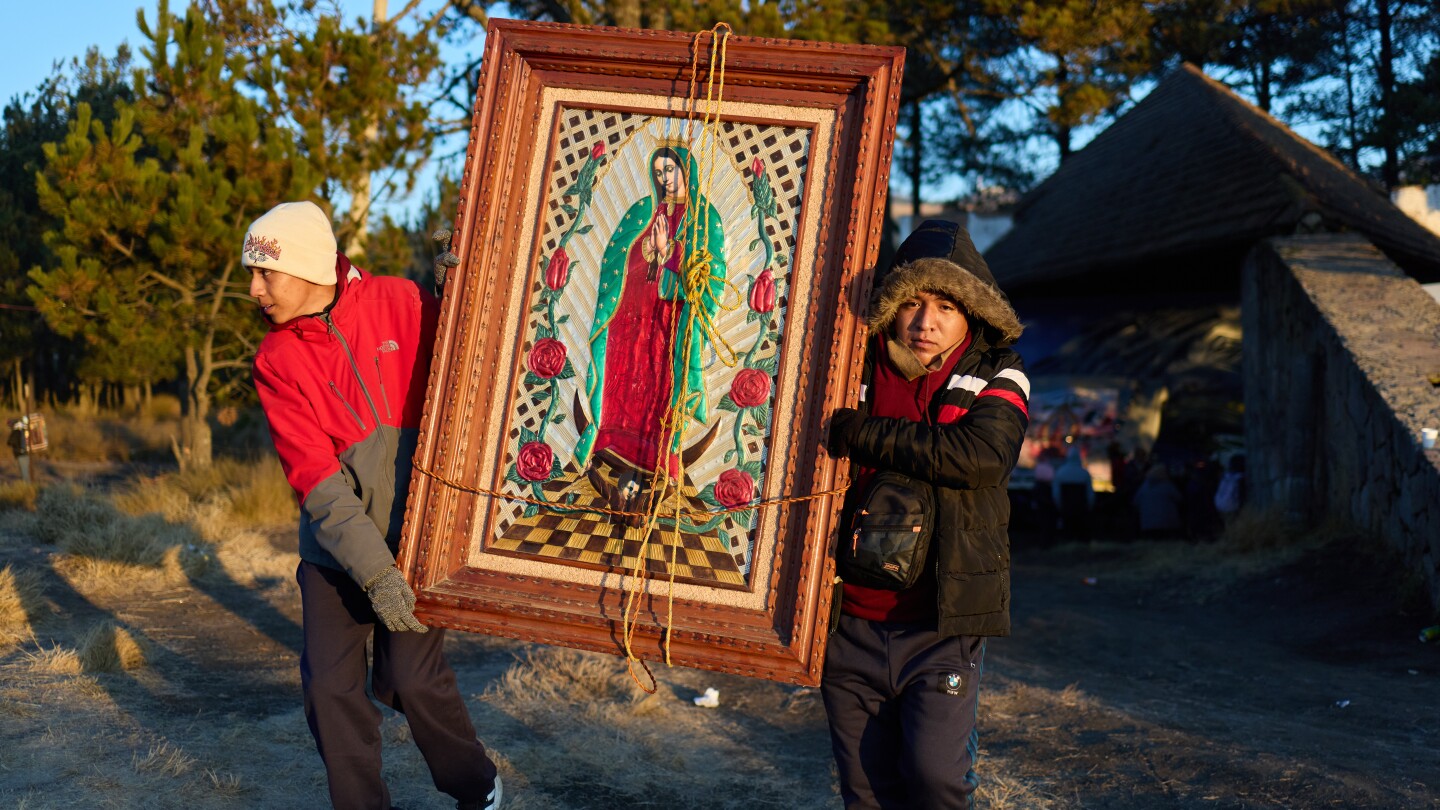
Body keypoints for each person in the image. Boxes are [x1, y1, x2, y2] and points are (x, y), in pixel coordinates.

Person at [246, 201, 501, 810]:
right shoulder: (276, 359)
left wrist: (465, 285)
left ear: (308, 266)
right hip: (336, 555)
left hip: (418, 537)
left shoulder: (400, 302)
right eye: (252, 273)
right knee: (330, 693)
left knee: (411, 680)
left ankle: (477, 786)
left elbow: (476, 348)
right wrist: (375, 573)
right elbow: (319, 484)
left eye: (265, 273)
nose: (254, 289)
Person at [823, 219, 1029, 809]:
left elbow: (981, 457)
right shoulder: (849, 369)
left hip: (939, 625)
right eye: (910, 301)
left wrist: (861, 434)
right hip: (849, 620)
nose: (925, 320)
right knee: (866, 792)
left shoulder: (998, 372)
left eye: (944, 304)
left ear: (972, 311)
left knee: (935, 777)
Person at [578, 142, 728, 477]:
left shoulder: (706, 218)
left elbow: (710, 276)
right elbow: (616, 259)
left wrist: (669, 253)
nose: (665, 178)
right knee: (624, 375)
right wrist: (645, 253)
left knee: (661, 382)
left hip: (670, 321)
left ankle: (659, 451)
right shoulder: (643, 211)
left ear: (685, 170)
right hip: (632, 316)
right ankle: (611, 438)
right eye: (659, 172)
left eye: (670, 170)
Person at [1051, 443, 1095, 540]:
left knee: (1068, 535)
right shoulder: (1085, 474)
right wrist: (1088, 508)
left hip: (1066, 511)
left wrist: (1060, 508)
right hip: (1081, 511)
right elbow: (1090, 495)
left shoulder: (1060, 473)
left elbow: (1056, 495)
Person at [1133, 463, 1184, 539]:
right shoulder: (1168, 486)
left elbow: (1135, 502)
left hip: (1147, 526)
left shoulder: (1144, 487)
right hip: (1167, 525)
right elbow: (1179, 499)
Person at [7, 416, 30, 485]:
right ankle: (27, 485)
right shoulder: (22, 431)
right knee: (25, 471)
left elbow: (10, 442)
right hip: (25, 453)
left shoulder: (16, 432)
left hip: (21, 454)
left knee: (24, 472)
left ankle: (27, 486)